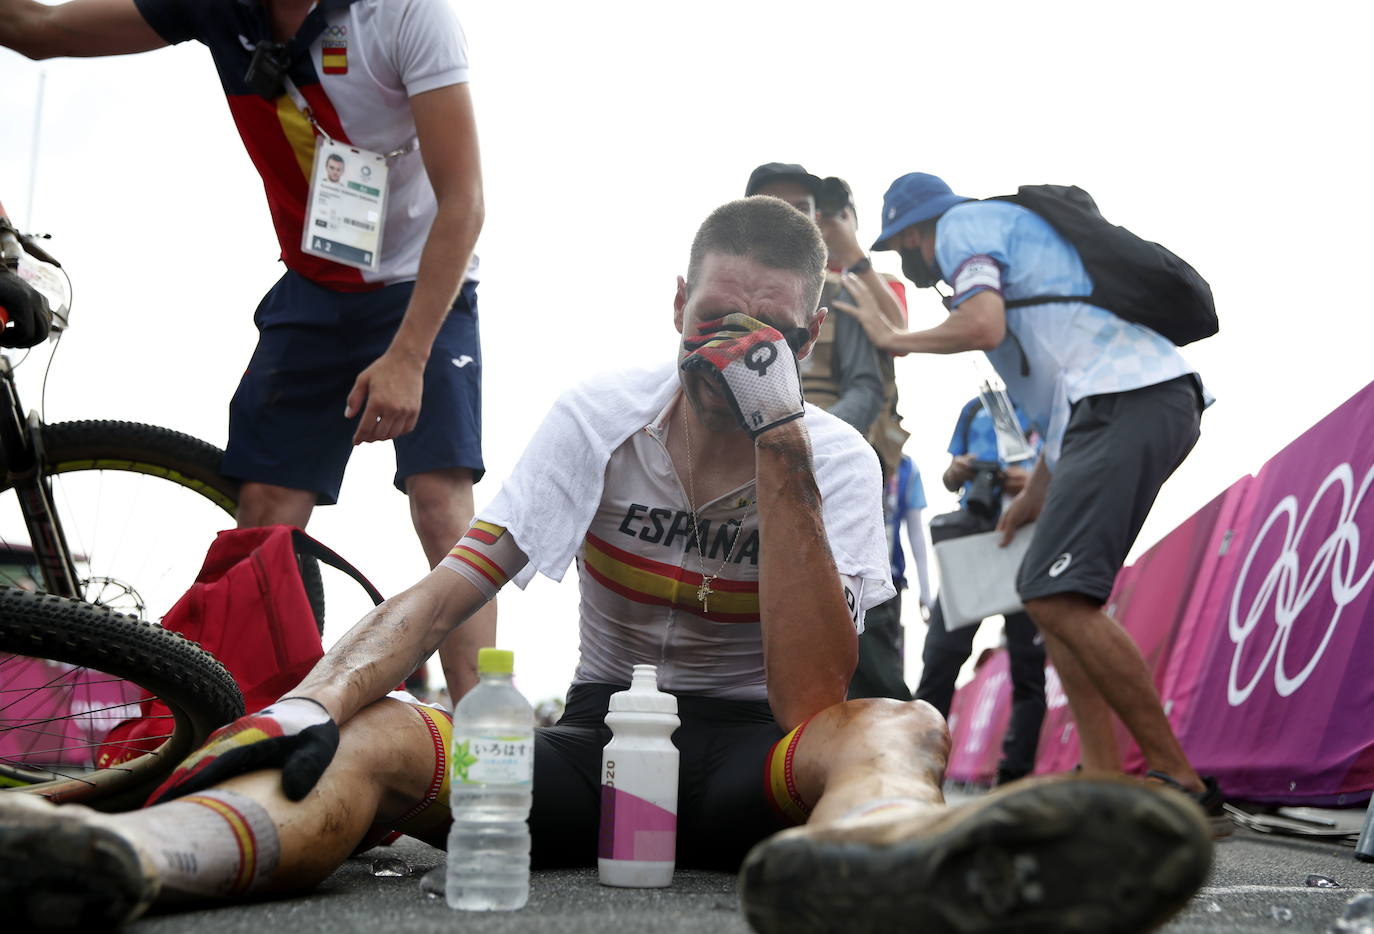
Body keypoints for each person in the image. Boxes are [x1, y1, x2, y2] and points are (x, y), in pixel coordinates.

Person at [0, 198, 1213, 934]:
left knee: (898, 723)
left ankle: (880, 867)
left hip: (753, 758)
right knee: (368, 734)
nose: (730, 350)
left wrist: (780, 441)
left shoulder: (832, 455)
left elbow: (811, 697)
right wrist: (312, 702)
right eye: (714, 322)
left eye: (766, 335)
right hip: (595, 740)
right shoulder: (601, 411)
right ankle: (131, 859)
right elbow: (448, 588)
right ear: (674, 301)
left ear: (807, 340)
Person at [0, 0, 494, 697]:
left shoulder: (407, 14)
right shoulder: (217, 5)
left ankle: (482, 731)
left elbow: (465, 199)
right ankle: (238, 717)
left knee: (440, 501)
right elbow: (35, 30)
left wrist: (410, 355)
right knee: (263, 507)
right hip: (316, 285)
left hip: (422, 282)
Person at [838, 172, 1227, 828]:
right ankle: (1102, 777)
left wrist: (893, 338)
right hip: (1120, 407)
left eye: (901, 244)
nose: (904, 256)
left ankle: (1180, 780)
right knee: (1050, 595)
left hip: (1130, 399)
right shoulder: (1011, 268)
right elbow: (1057, 418)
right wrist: (1032, 499)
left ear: (916, 229)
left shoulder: (963, 226)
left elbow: (981, 323)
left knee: (1055, 594)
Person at [744, 164, 911, 699]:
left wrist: (808, 442)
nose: (793, 218)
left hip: (832, 470)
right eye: (777, 206)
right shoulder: (726, 292)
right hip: (746, 472)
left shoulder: (841, 293)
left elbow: (866, 388)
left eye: (804, 209)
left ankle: (881, 731)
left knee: (857, 616)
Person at [915, 396, 1047, 786]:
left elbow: (1071, 469)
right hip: (972, 541)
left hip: (1029, 540)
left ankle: (1015, 778)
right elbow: (950, 477)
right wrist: (957, 471)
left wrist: (1035, 483)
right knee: (940, 658)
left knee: (1028, 667)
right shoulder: (976, 407)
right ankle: (917, 766)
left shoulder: (1050, 401)